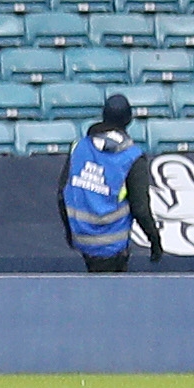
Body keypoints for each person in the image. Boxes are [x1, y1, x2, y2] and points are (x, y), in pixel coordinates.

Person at [59, 93, 161, 273]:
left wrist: (71, 233)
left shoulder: (79, 147)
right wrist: (154, 240)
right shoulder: (132, 158)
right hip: (112, 246)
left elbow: (62, 194)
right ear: (128, 120)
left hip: (81, 239)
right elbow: (141, 209)